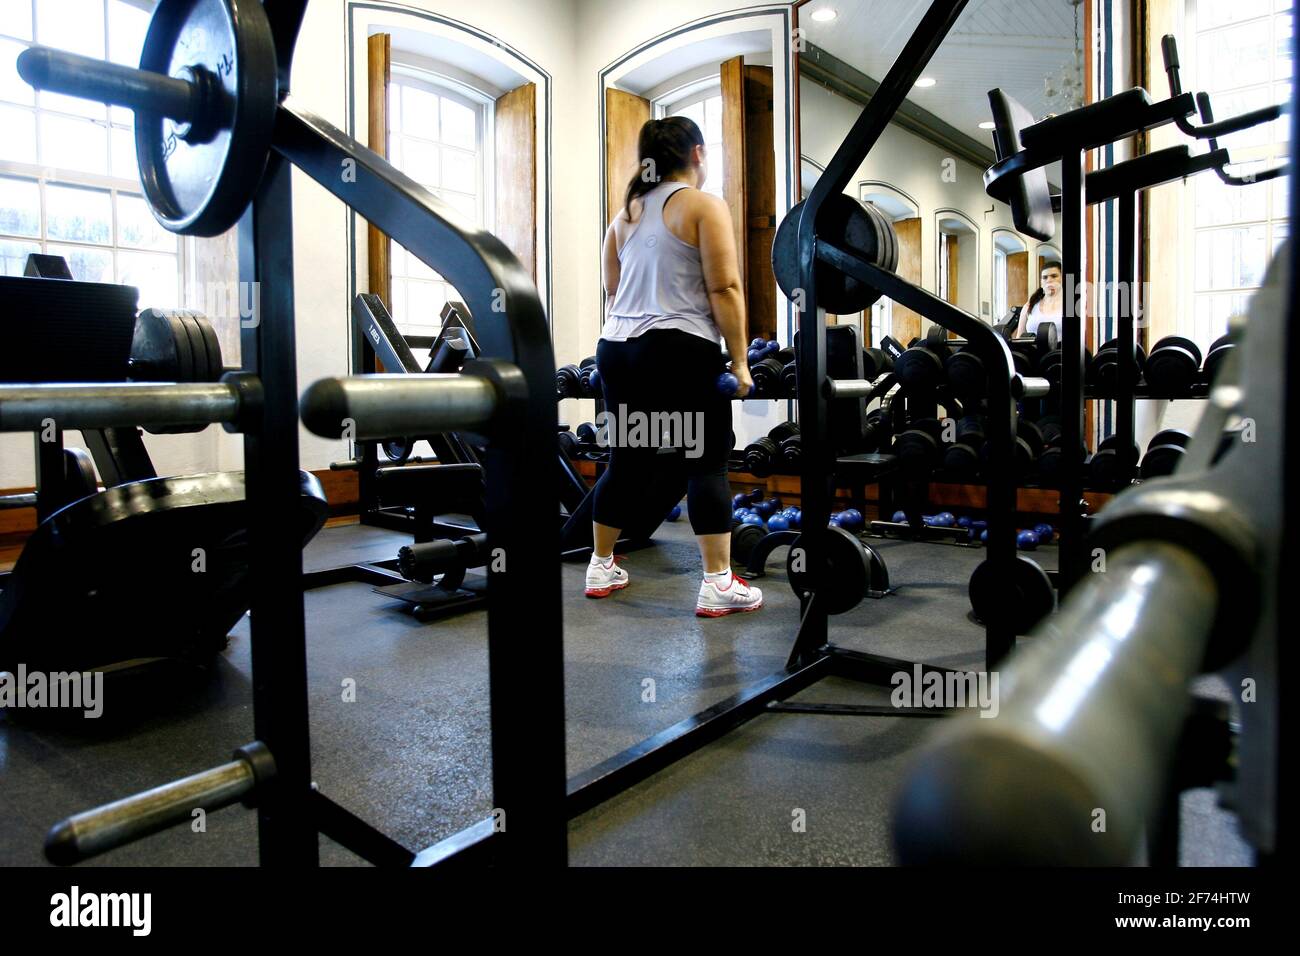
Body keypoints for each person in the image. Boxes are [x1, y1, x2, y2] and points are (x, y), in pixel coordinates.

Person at [585, 116, 763, 617]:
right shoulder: (705, 206)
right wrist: (741, 361)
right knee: (704, 460)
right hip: (679, 346)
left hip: (617, 348)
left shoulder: (623, 217)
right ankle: (718, 583)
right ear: (699, 154)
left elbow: (614, 292)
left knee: (627, 460)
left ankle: (600, 565)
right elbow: (724, 288)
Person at [1014, 261, 1064, 338]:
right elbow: (1019, 337)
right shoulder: (1030, 305)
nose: (1049, 280)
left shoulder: (1070, 304)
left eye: (1054, 276)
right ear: (1041, 282)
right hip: (1033, 349)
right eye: (1045, 277)